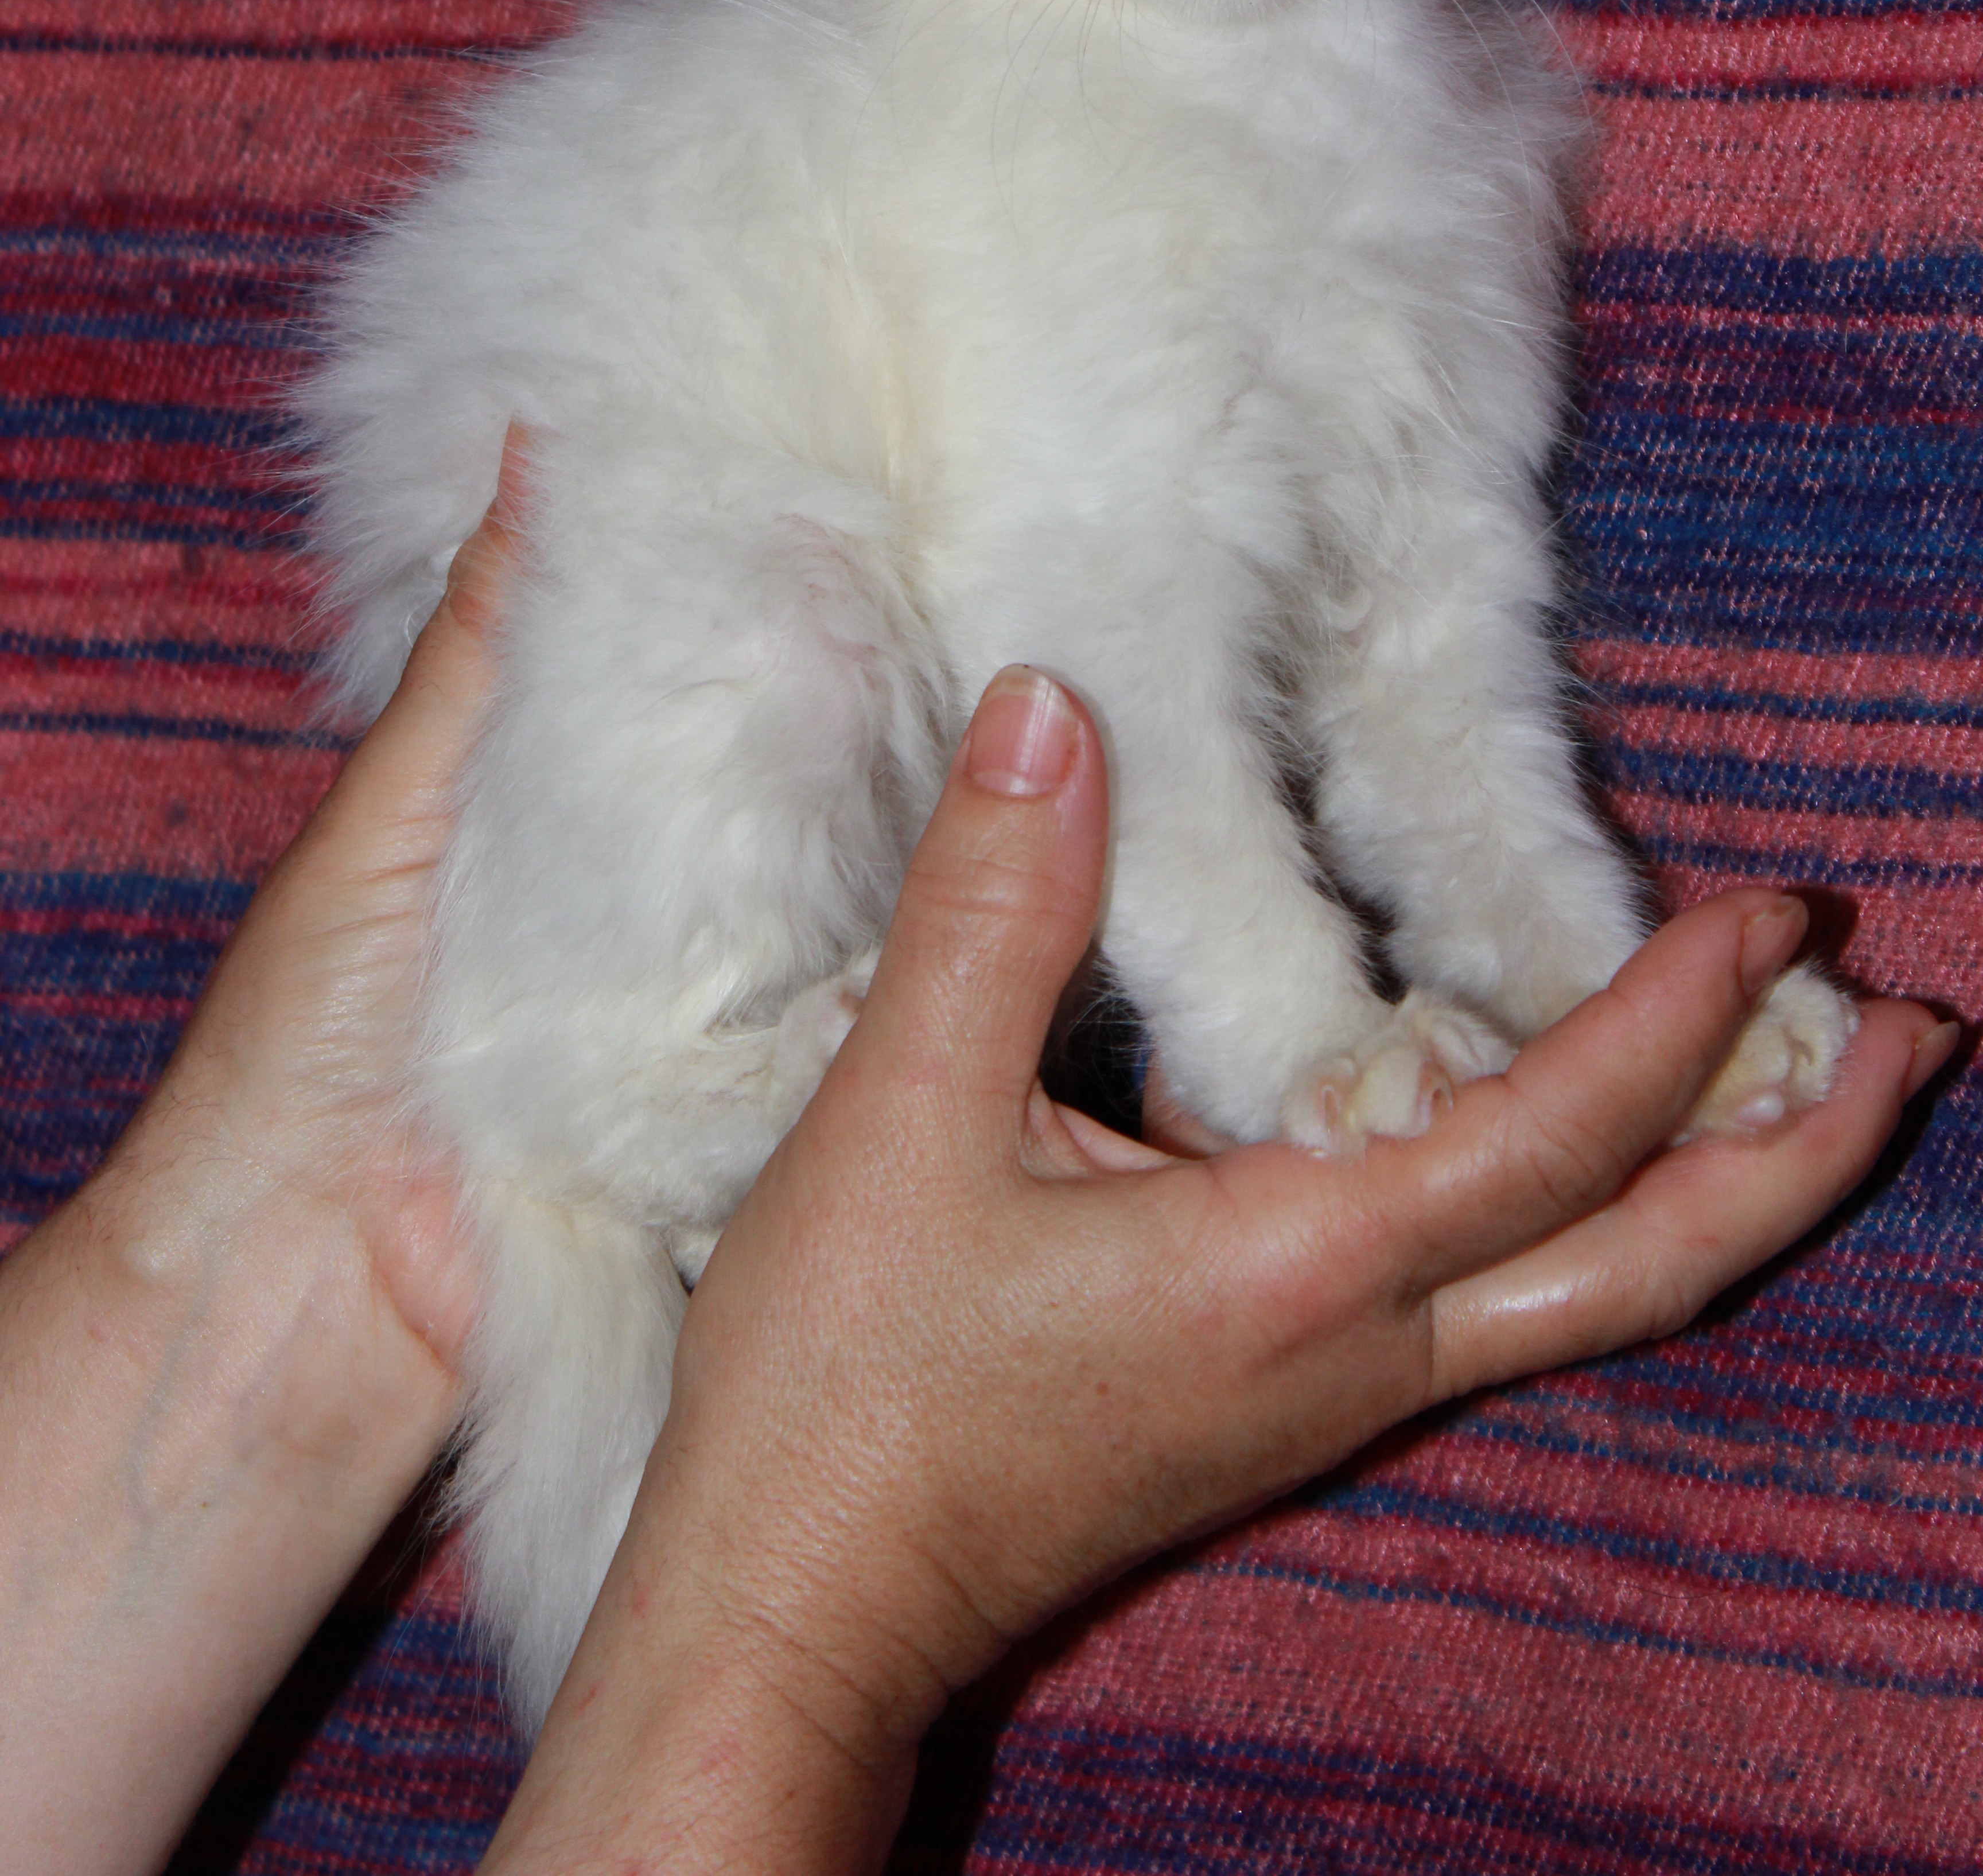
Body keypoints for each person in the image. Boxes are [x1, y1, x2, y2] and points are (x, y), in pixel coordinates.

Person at [0, 458, 1955, 1876]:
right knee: (791, 651)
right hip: (675, 769)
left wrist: (1562, 971)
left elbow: (1418, 626)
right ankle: (649, 1082)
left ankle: (639, 1105)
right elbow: (1093, 611)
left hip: (535, 973)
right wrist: (797, 1618)